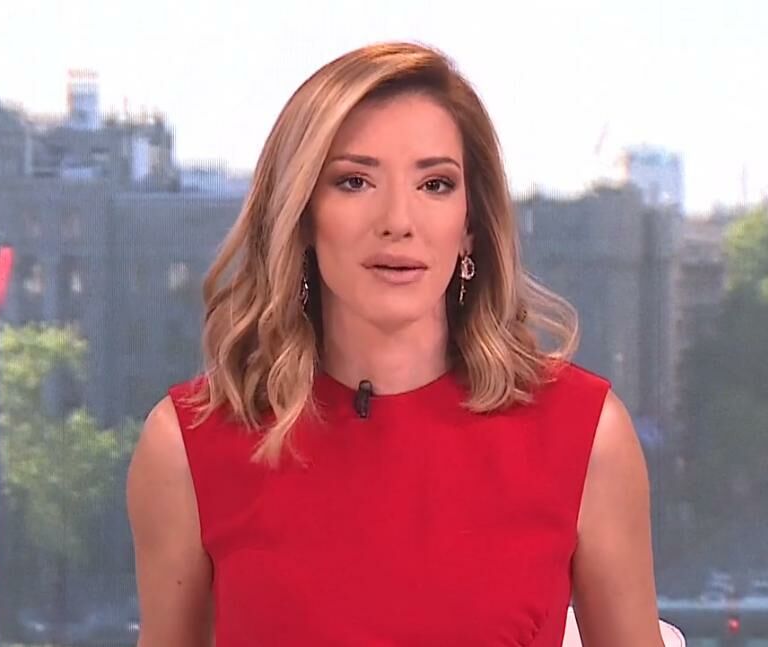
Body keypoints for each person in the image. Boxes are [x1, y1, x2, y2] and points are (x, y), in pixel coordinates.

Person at [126, 40, 665, 646]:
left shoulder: (585, 436)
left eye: (435, 184)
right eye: (355, 181)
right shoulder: (188, 448)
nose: (398, 222)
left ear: (470, 225)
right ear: (301, 215)